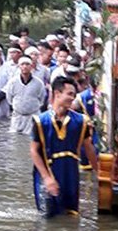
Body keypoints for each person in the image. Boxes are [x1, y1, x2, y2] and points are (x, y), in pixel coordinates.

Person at [30, 76, 98, 217]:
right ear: (57, 94)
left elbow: (89, 147)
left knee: (71, 214)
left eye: (74, 94)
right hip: (47, 171)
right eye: (70, 94)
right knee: (47, 216)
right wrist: (47, 178)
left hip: (70, 173)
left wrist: (99, 171)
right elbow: (34, 151)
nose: (73, 98)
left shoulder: (81, 121)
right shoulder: (40, 121)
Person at [3, 56, 45, 134]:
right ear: (19, 66)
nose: (25, 67)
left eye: (27, 64)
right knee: (15, 139)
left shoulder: (39, 83)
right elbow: (9, 98)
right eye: (22, 64)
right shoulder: (12, 82)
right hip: (17, 116)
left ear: (31, 66)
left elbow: (41, 99)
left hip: (33, 116)